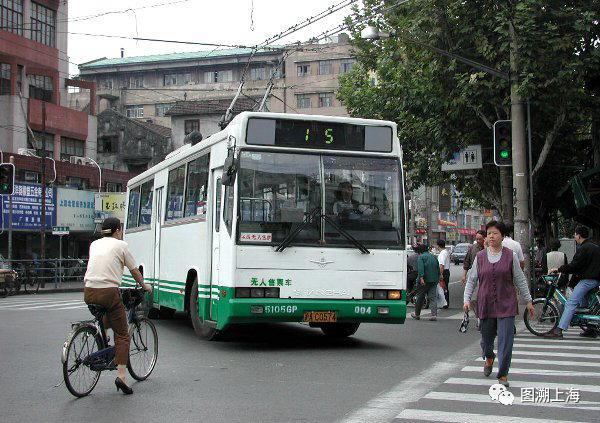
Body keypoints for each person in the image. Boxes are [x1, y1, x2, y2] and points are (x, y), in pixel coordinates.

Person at [83, 217, 152, 395]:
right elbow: (134, 270)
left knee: (106, 317)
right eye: (120, 230)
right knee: (122, 334)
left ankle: (104, 344)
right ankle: (121, 377)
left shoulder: (95, 244)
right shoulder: (121, 246)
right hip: (108, 292)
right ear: (117, 230)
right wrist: (144, 285)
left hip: (89, 291)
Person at [463, 220, 534, 387]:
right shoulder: (480, 257)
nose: (491, 236)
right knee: (486, 340)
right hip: (486, 304)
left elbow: (520, 279)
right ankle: (488, 357)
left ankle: (503, 375)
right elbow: (472, 280)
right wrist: (466, 299)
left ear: (502, 236)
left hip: (507, 304)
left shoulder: (511, 256)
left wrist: (529, 300)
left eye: (495, 233)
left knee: (506, 341)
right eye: (489, 234)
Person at [545, 225, 600, 339]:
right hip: (595, 280)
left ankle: (559, 330)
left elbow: (574, 265)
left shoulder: (584, 248)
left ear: (579, 235)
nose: (574, 237)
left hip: (587, 281)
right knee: (585, 304)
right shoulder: (595, 247)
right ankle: (591, 329)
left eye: (575, 234)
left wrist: (559, 269)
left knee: (571, 303)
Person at [461, 230, 486, 329]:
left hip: (486, 276)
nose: (478, 241)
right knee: (474, 299)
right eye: (477, 239)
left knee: (484, 298)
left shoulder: (489, 248)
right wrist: (464, 275)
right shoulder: (473, 248)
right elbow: (466, 262)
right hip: (475, 276)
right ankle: (479, 317)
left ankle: (483, 318)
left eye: (480, 239)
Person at [411, 243, 441, 321]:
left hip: (424, 281)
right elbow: (438, 268)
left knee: (420, 297)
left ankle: (417, 314)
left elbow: (421, 269)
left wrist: (421, 278)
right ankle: (433, 315)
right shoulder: (434, 257)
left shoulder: (421, 257)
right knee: (432, 297)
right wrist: (439, 278)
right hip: (434, 280)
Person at [437, 239, 451, 309]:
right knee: (445, 288)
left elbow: (441, 265)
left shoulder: (442, 253)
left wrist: (440, 274)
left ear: (438, 245)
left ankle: (444, 303)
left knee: (442, 288)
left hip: (443, 272)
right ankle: (446, 302)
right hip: (447, 271)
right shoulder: (446, 252)